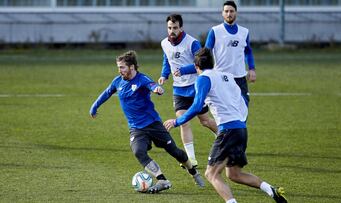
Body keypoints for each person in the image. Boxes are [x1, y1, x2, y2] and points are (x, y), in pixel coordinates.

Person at [164, 48, 287, 203]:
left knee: (211, 174)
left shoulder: (202, 79)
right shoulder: (227, 76)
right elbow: (242, 101)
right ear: (212, 63)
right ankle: (271, 190)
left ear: (196, 67)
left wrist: (177, 121)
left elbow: (196, 106)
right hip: (241, 129)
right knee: (234, 174)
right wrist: (240, 121)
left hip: (228, 130)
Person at [89, 50, 205, 193]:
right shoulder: (117, 81)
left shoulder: (142, 79)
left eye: (122, 67)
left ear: (131, 67)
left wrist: (157, 89)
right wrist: (94, 106)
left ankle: (194, 173)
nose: (119, 71)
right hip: (136, 128)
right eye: (118, 67)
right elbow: (106, 93)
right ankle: (162, 179)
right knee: (138, 151)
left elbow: (152, 85)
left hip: (153, 124)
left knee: (175, 152)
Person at [158, 13, 217, 167]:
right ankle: (191, 159)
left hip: (195, 87)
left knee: (204, 121)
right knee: (184, 122)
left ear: (181, 27)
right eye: (169, 28)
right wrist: (164, 75)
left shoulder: (192, 43)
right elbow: (167, 60)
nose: (172, 31)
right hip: (178, 89)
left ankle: (224, 136)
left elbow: (202, 64)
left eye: (175, 28)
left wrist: (183, 70)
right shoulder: (164, 43)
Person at [205, 0, 256, 104]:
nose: (229, 14)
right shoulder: (215, 31)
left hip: (240, 78)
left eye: (231, 11)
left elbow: (248, 51)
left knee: (244, 109)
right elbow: (205, 53)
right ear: (222, 13)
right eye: (226, 11)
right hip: (221, 78)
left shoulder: (244, 32)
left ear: (236, 12)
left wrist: (251, 68)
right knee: (226, 111)